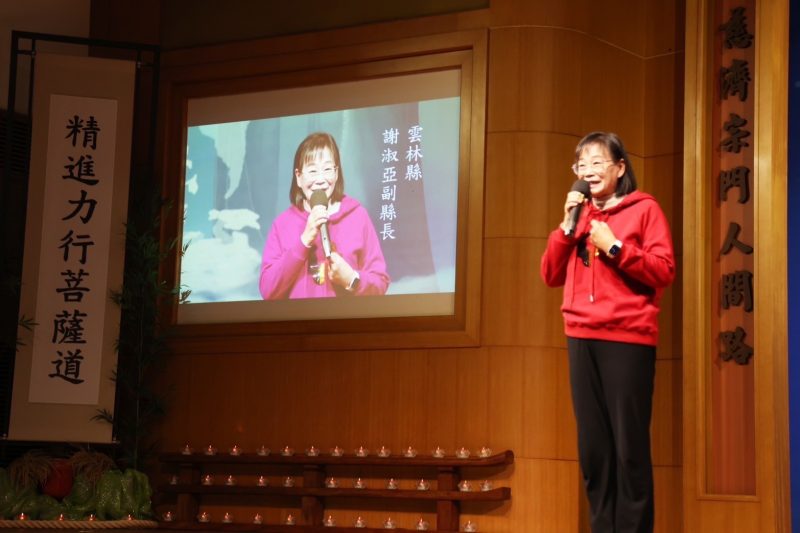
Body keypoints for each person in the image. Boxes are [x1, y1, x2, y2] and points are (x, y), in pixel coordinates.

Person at [540, 131, 675, 533]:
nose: (589, 170)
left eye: (598, 162)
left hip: (627, 339)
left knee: (629, 449)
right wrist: (566, 227)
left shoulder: (644, 209)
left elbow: (664, 270)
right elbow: (550, 274)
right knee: (594, 451)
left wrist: (616, 248)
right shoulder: (578, 215)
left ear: (620, 167)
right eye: (582, 164)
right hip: (580, 336)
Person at [259, 132, 390, 299]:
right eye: (312, 171)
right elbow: (268, 290)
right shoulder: (282, 224)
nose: (320, 179)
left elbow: (380, 282)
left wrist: (352, 279)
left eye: (327, 169)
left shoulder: (357, 215)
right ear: (298, 177)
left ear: (336, 173)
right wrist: (304, 240)